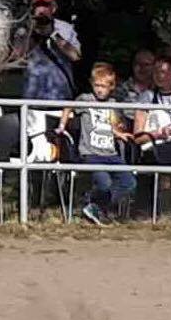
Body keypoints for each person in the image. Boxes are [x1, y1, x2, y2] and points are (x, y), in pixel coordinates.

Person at [57, 63, 136, 225]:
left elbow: (112, 124)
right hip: (91, 153)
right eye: (96, 85)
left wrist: (119, 133)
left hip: (111, 153)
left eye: (103, 86)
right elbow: (68, 106)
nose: (99, 89)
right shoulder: (86, 100)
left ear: (111, 87)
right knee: (104, 183)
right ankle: (93, 203)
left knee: (129, 182)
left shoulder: (113, 103)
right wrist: (62, 125)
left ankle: (95, 205)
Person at [20, 0, 82, 101]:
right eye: (37, 5)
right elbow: (17, 56)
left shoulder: (65, 28)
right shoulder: (25, 29)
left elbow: (75, 56)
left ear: (53, 8)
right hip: (33, 96)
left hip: (60, 95)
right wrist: (33, 34)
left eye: (45, 5)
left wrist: (53, 34)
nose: (41, 10)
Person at [133, 55, 171, 164]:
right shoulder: (146, 98)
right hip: (155, 149)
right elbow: (137, 138)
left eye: (164, 72)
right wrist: (159, 134)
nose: (159, 76)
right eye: (156, 72)